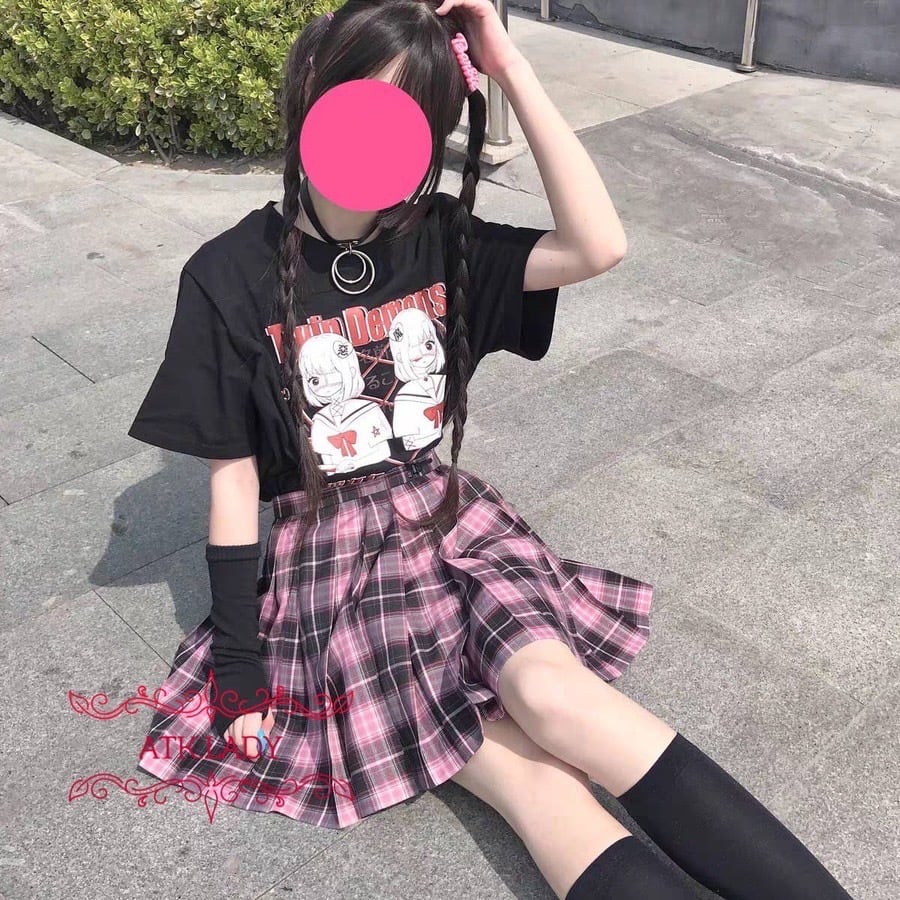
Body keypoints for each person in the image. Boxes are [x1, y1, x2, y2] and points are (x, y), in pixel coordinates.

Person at [128, 2, 856, 898]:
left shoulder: (439, 236)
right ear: (311, 91)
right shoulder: (227, 273)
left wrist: (511, 67)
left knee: (559, 700)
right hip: (335, 570)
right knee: (532, 781)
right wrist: (242, 669)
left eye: (411, 117)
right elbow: (234, 485)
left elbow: (599, 244)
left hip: (454, 524)